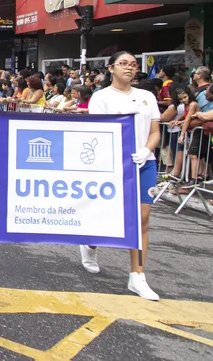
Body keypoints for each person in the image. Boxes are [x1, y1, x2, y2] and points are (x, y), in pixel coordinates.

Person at [81, 51, 161, 301]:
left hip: (144, 164)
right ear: (111, 68)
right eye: (123, 64)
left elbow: (155, 132)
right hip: (113, 165)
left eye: (133, 65)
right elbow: (101, 131)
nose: (129, 68)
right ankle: (90, 243)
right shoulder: (101, 97)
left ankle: (137, 276)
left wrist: (146, 150)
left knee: (142, 219)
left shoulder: (147, 97)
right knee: (106, 214)